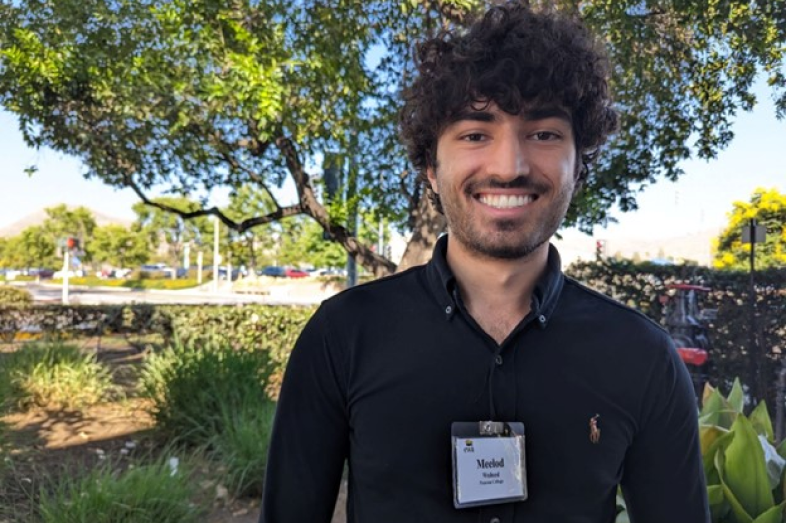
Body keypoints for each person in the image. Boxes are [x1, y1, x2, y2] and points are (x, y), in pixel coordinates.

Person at [260, 3, 709, 522]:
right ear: (431, 167)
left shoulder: (643, 358)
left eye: (543, 134)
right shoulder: (341, 338)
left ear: (578, 165)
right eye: (475, 133)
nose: (509, 166)